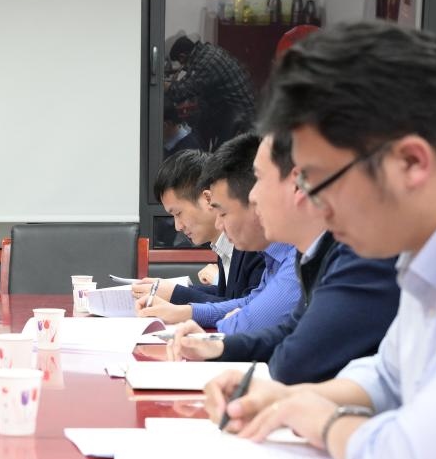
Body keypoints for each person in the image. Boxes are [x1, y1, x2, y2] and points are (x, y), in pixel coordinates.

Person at [204, 21, 436, 459]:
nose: (315, 205)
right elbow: (388, 375)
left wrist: (325, 422)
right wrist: (288, 399)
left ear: (410, 162)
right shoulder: (428, 251)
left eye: (318, 181)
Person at [165, 132, 400, 384]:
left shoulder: (359, 254)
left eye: (260, 179)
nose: (252, 195)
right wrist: (217, 345)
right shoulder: (308, 254)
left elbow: (293, 360)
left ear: (298, 184)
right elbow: (288, 331)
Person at [138, 133, 301, 335]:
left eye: (223, 212)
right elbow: (249, 304)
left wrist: (216, 332)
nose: (218, 223)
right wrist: (187, 312)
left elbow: (248, 321)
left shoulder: (297, 257)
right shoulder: (274, 255)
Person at [136, 149, 264, 305]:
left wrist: (175, 294)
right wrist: (171, 290)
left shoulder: (255, 245)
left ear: (208, 199)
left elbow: (247, 308)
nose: (177, 227)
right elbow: (228, 297)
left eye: (178, 213)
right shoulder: (223, 246)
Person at [167, 34, 256, 150]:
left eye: (181, 63)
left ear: (182, 56)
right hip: (230, 108)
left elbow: (181, 92)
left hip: (240, 115)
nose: (183, 67)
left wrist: (164, 86)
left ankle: (200, 155)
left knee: (206, 136)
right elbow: (192, 79)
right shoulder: (206, 51)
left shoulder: (205, 63)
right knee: (200, 119)